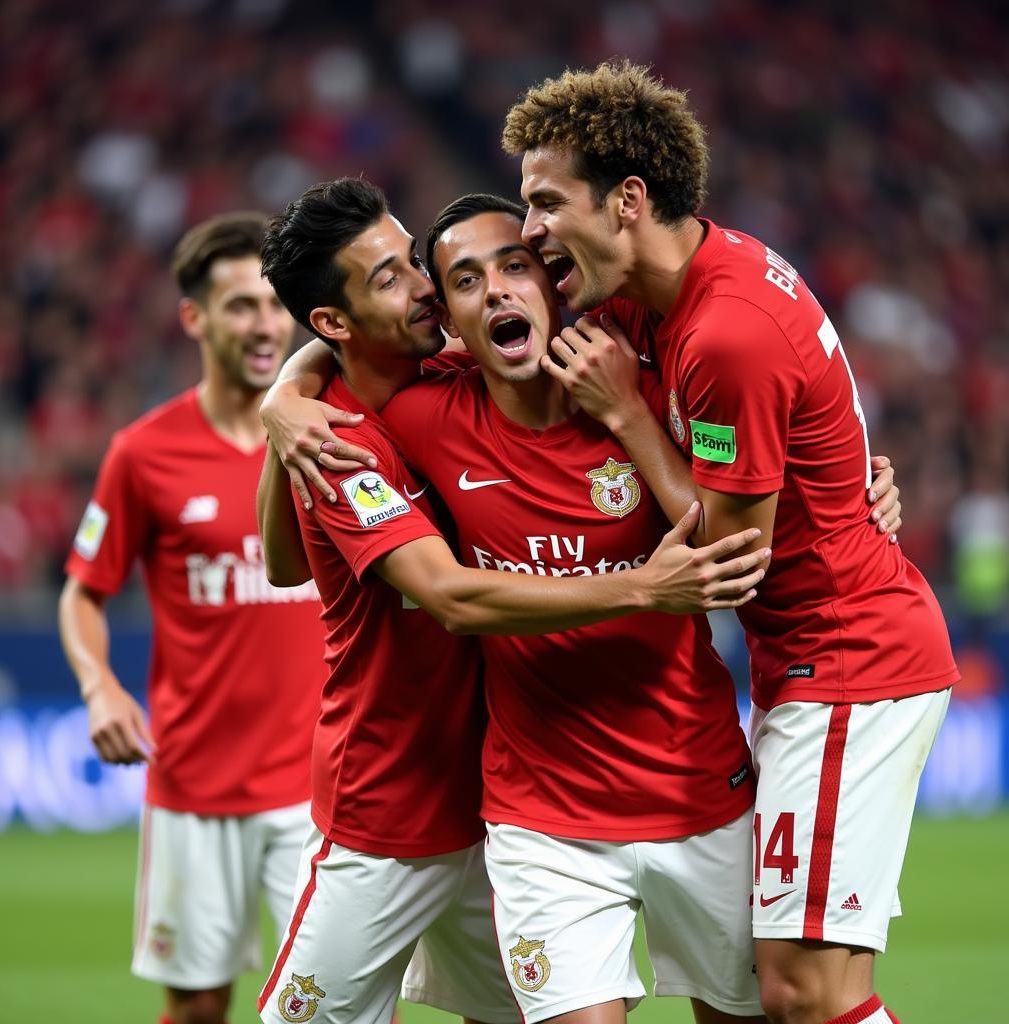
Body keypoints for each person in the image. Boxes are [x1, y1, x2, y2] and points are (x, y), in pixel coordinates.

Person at [257, 183, 900, 1024]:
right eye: (445, 280)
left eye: (514, 265)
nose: (464, 290)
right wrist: (287, 399)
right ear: (446, 318)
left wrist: (853, 492)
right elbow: (325, 561)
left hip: (692, 786)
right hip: (504, 812)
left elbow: (761, 453)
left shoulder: (639, 375)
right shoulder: (389, 421)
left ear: (550, 281)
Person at [501, 60, 958, 1024]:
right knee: (789, 989)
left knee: (802, 990)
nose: (530, 229)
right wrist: (292, 391)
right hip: (810, 658)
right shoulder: (664, 290)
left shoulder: (725, 334)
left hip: (851, 659)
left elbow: (726, 561)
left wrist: (628, 415)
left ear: (627, 199)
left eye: (546, 201)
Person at [58, 213, 325, 1024]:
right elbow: (82, 591)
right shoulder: (143, 453)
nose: (264, 324)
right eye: (240, 305)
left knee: (335, 1003)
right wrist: (100, 686)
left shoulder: (331, 431)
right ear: (195, 318)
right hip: (195, 788)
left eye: (274, 304)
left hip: (322, 789)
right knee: (200, 1008)